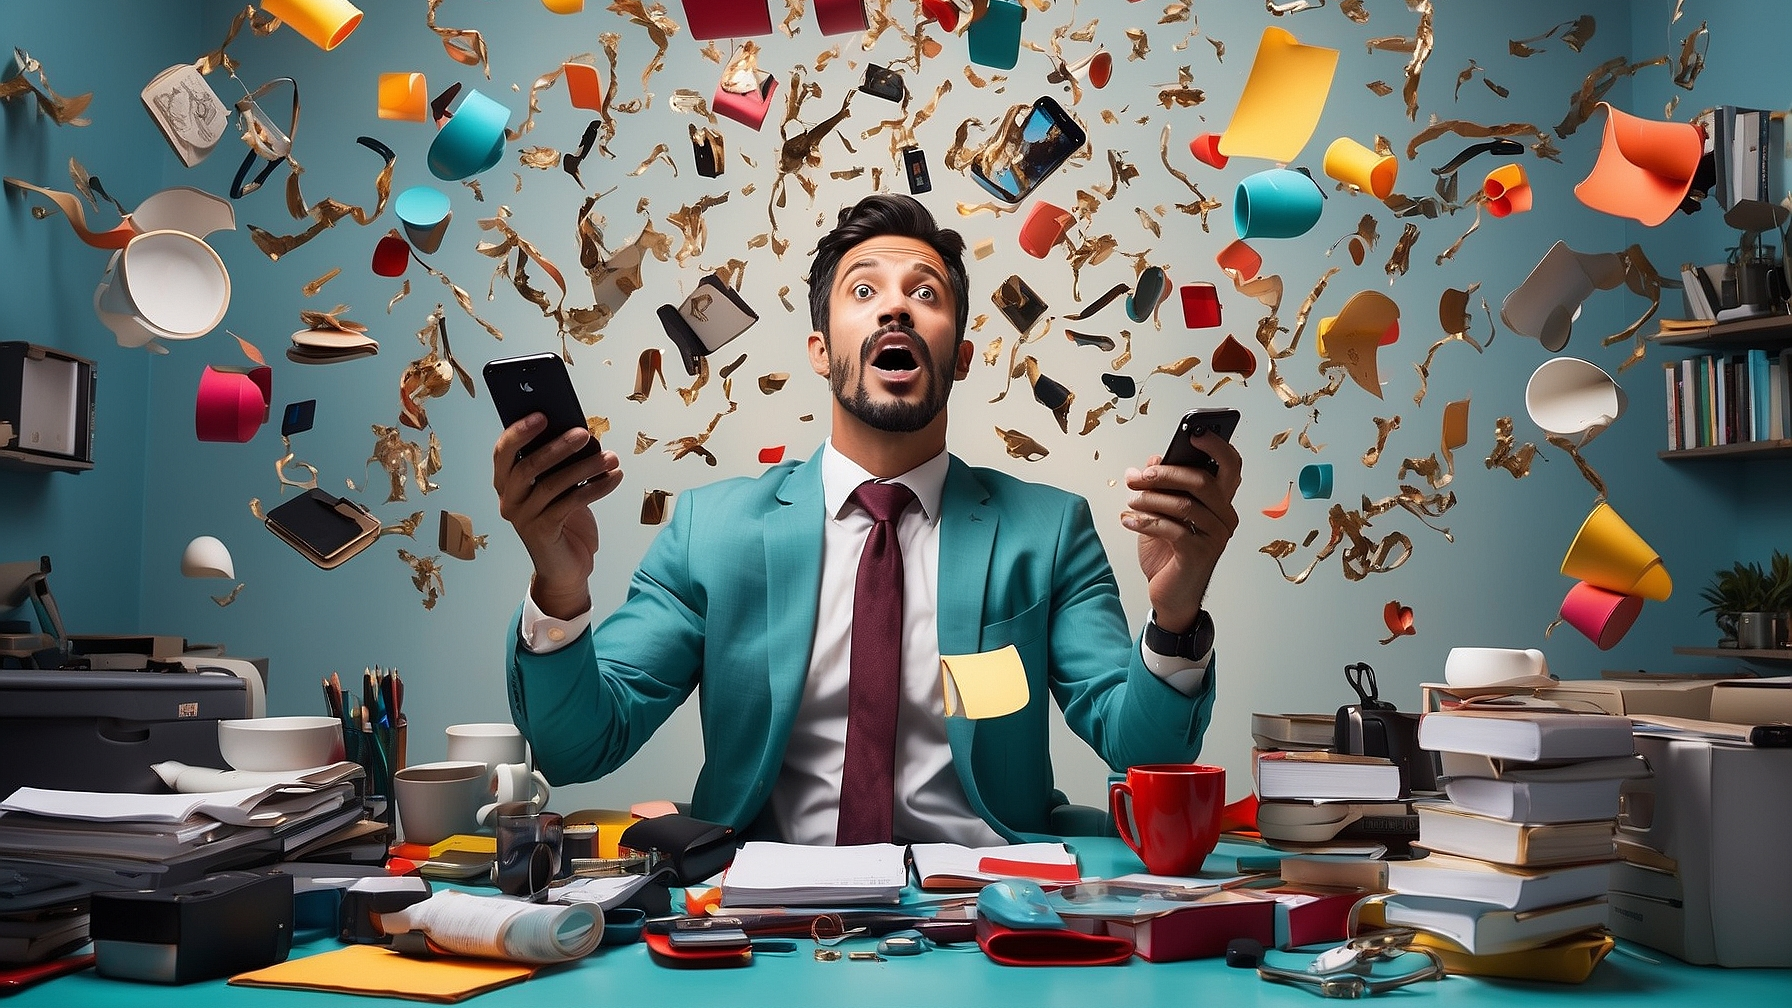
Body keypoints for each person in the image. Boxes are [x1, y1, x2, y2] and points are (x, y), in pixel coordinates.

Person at [492, 193, 1242, 845]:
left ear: (962, 357)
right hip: (768, 920)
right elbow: (580, 747)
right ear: (820, 351)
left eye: (926, 293)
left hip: (984, 904)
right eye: (864, 291)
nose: (896, 306)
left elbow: (1144, 754)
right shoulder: (710, 530)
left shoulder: (1047, 533)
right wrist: (559, 590)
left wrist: (1176, 614)